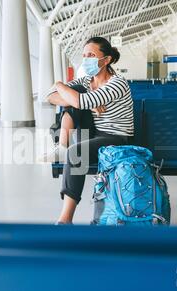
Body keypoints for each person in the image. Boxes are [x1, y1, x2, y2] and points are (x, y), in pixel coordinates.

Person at [42, 37, 134, 225]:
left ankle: (65, 219)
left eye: (91, 55)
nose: (86, 60)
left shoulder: (117, 83)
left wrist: (61, 86)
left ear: (106, 60)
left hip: (116, 139)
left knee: (77, 151)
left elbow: (76, 100)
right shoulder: (87, 81)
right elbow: (49, 97)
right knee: (74, 96)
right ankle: (61, 146)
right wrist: (72, 96)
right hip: (94, 134)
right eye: (84, 55)